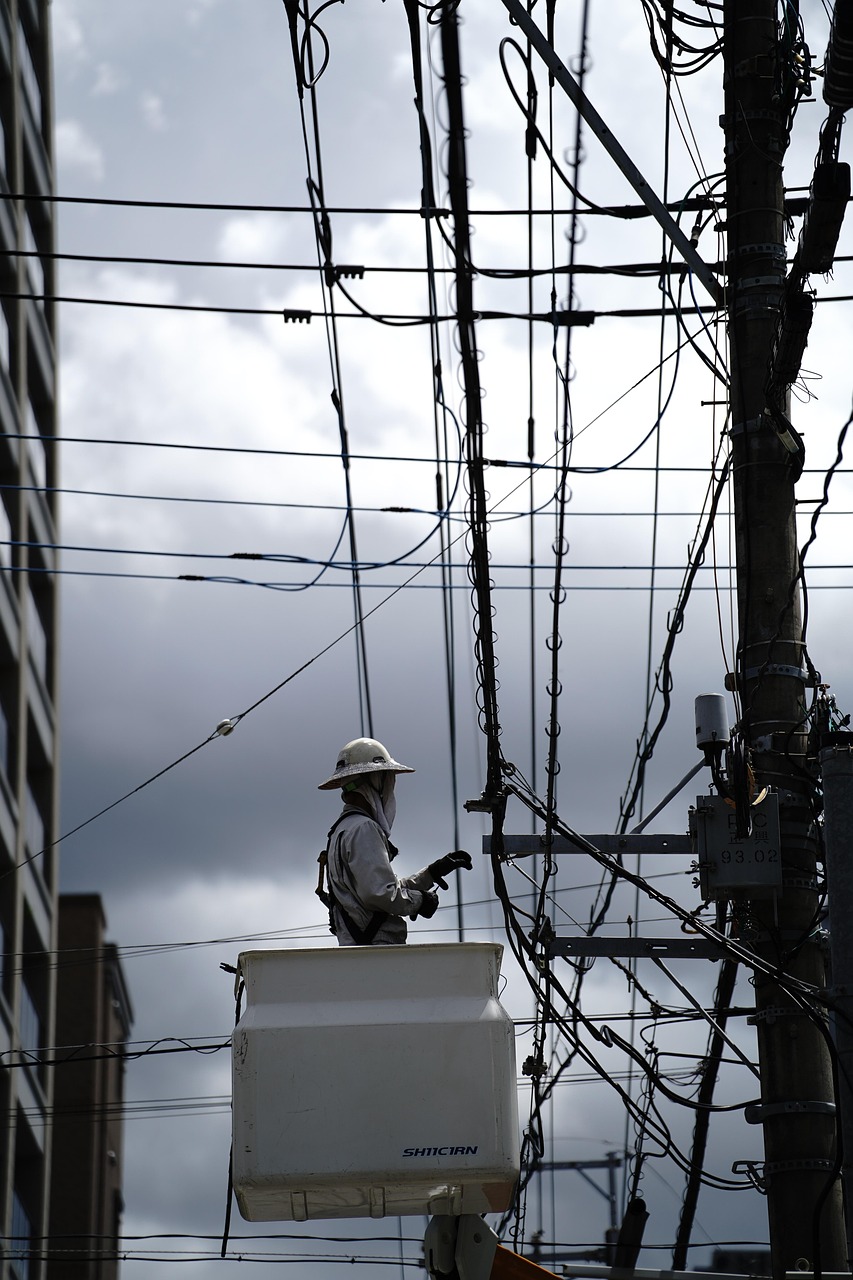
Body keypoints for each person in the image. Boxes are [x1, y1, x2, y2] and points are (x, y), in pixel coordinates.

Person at [316, 737, 472, 946]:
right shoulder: (363, 828)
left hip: (360, 952)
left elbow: (379, 887)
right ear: (376, 780)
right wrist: (420, 902)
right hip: (376, 954)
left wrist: (430, 874)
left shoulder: (342, 829)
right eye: (387, 778)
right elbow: (380, 894)